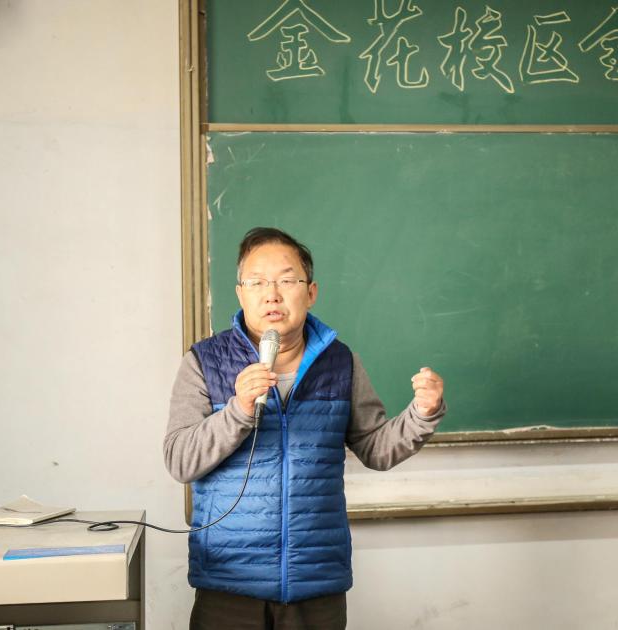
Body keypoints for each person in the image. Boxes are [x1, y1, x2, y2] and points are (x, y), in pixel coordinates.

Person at [164, 227, 446, 630]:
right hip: (228, 583)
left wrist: (422, 413)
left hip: (315, 584)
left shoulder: (341, 363)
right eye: (257, 282)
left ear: (310, 292)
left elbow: (376, 448)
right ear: (241, 294)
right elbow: (179, 461)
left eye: (286, 280)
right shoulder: (204, 363)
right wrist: (238, 410)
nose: (272, 294)